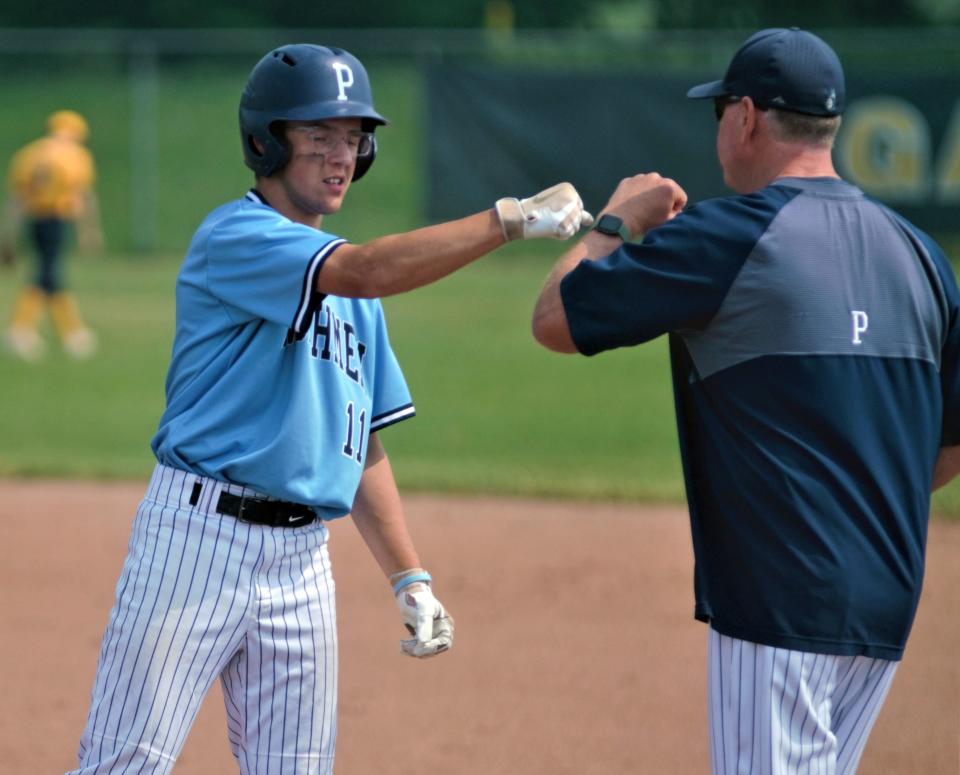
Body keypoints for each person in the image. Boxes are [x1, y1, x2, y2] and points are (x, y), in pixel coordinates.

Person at [67, 43, 590, 774]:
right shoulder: (237, 235)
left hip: (304, 559)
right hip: (197, 543)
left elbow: (361, 443)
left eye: (353, 138)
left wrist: (410, 576)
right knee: (125, 763)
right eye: (319, 136)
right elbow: (366, 270)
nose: (341, 154)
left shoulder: (352, 293)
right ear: (266, 140)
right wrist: (506, 220)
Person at [531, 27, 960, 775]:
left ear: (747, 118)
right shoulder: (923, 254)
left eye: (720, 110)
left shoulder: (728, 236)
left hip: (779, 603)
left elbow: (554, 319)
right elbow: (946, 448)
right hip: (887, 603)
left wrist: (617, 221)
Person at [2, 109, 102, 360]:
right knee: (47, 272)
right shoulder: (76, 156)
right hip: (57, 218)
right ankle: (21, 329)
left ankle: (71, 332)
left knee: (50, 272)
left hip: (35, 220)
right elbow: (83, 196)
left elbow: (17, 198)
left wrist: (8, 235)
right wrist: (89, 231)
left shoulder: (29, 154)